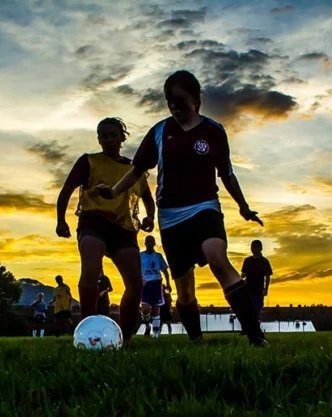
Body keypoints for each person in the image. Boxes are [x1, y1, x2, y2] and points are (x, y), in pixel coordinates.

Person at [97, 70, 267, 346]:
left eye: (179, 100)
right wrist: (114, 191)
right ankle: (196, 339)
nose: (174, 107)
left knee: (217, 258)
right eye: (169, 102)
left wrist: (244, 207)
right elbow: (138, 170)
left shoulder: (213, 131)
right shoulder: (160, 132)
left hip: (205, 208)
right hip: (171, 217)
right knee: (184, 290)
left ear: (196, 100)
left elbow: (227, 174)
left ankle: (255, 336)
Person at [55, 117, 155, 342]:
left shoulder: (134, 168)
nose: (109, 140)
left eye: (113, 135)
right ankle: (86, 330)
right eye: (104, 136)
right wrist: (61, 220)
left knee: (135, 284)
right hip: (94, 221)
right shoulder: (88, 161)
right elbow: (67, 190)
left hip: (124, 228)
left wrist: (150, 216)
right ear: (98, 139)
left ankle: (124, 337)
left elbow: (148, 198)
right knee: (91, 269)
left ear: (122, 138)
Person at [139, 235, 171, 338]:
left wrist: (168, 284)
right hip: (145, 285)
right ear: (145, 243)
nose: (149, 243)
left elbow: (165, 271)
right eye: (147, 241)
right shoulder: (140, 256)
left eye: (151, 241)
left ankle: (156, 334)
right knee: (145, 309)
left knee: (156, 308)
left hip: (156, 283)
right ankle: (147, 325)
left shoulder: (158, 256)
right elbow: (135, 269)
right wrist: (140, 280)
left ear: (154, 244)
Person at [241, 240, 273, 319]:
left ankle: (253, 327)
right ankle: (246, 328)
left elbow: (267, 276)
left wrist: (266, 289)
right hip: (247, 290)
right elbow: (243, 274)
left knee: (256, 310)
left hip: (258, 290)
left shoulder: (264, 262)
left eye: (255, 247)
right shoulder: (247, 260)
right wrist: (243, 275)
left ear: (260, 248)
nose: (253, 249)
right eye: (252, 247)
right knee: (246, 310)